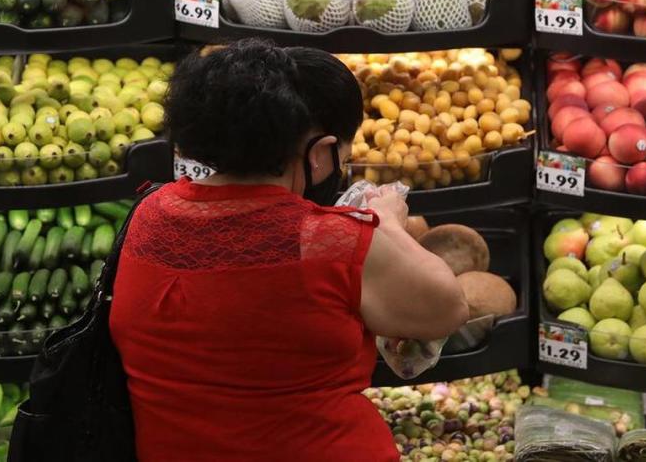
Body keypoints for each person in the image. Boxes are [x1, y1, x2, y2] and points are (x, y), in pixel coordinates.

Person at [109, 39, 468, 462]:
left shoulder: (148, 215)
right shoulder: (332, 242)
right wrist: (385, 221)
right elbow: (448, 306)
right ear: (319, 155)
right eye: (340, 158)